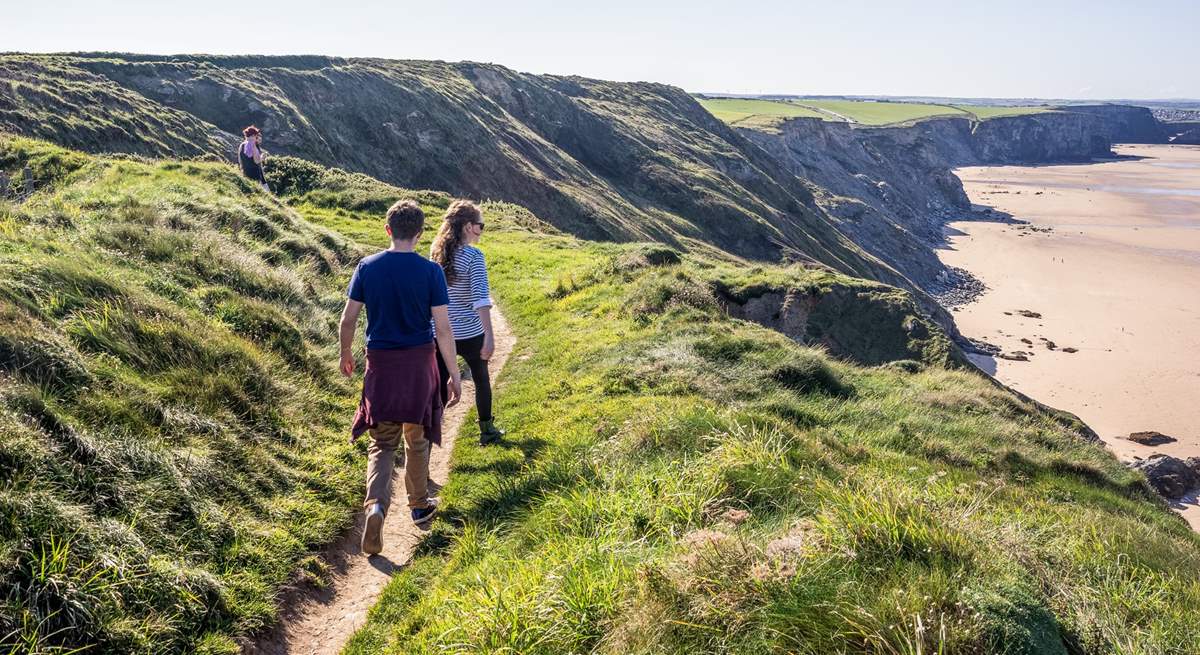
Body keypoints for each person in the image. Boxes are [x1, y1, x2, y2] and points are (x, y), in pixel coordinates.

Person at [339, 199, 462, 555]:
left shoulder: (367, 267)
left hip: (381, 364)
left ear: (387, 229)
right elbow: (443, 329)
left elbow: (348, 320)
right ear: (420, 234)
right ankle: (419, 506)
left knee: (382, 443)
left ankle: (376, 506)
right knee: (417, 438)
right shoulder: (430, 273)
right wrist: (453, 374)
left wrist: (346, 353)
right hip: (419, 364)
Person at [430, 200, 505, 444]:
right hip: (471, 332)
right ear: (467, 226)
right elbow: (481, 299)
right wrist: (489, 335)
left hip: (439, 332)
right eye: (480, 225)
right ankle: (487, 430)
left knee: (438, 383)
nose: (482, 230)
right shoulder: (474, 256)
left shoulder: (436, 253)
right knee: (481, 379)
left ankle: (431, 435)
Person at [238, 126, 270, 192]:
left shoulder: (242, 145)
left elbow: (240, 160)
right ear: (253, 135)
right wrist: (262, 157)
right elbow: (256, 161)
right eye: (256, 136)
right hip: (255, 174)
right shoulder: (253, 145)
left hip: (246, 173)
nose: (257, 137)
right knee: (264, 194)